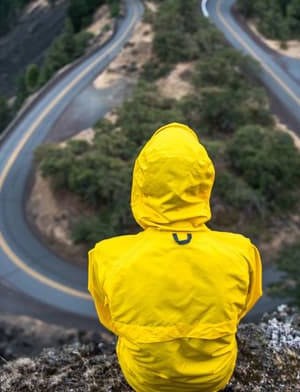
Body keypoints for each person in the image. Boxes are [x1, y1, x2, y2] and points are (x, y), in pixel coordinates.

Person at [88, 122, 262, 392]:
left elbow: (111, 319)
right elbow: (240, 311)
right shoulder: (242, 251)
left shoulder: (106, 256)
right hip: (214, 377)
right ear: (204, 184)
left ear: (140, 186)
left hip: (145, 380)